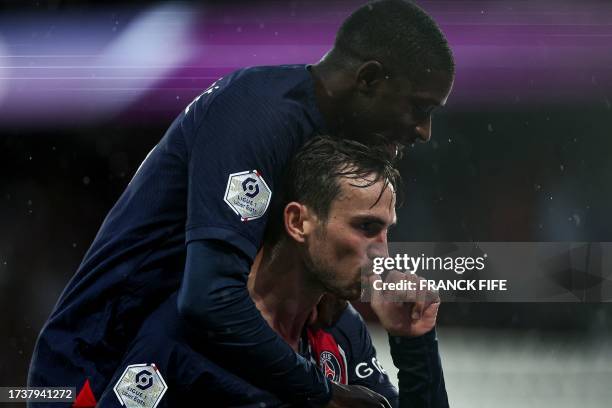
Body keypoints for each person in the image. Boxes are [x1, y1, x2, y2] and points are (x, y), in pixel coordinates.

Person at [28, 0, 454, 405]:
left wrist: (411, 345)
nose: (424, 131)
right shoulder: (256, 117)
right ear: (368, 79)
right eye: (419, 107)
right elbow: (207, 298)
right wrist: (318, 394)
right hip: (99, 361)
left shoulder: (337, 334)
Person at [91, 137, 446, 408]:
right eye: (366, 227)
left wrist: (414, 343)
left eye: (387, 231)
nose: (382, 252)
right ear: (297, 221)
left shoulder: (341, 330)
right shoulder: (183, 333)